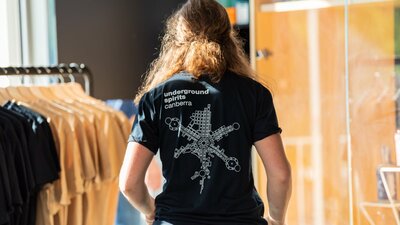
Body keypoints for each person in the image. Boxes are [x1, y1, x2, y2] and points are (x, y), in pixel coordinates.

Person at [118, 0, 292, 224]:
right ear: (228, 37)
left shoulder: (156, 98)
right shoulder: (254, 94)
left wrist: (150, 210)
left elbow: (129, 183)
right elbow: (281, 175)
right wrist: (277, 219)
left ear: (177, 39)